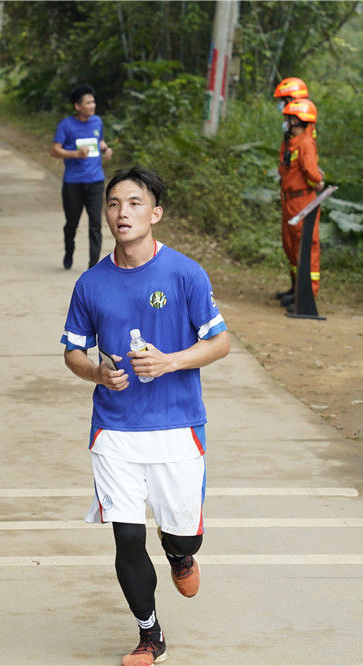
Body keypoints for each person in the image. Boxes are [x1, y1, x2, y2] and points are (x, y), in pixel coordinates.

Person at [60, 167, 230, 665]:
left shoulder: (185, 274)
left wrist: (171, 361)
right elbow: (72, 352)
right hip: (114, 429)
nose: (122, 213)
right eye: (114, 204)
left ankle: (180, 553)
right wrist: (96, 374)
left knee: (182, 532)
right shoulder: (91, 284)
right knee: (127, 535)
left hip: (177, 425)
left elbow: (219, 342)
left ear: (154, 213)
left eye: (134, 203)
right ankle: (149, 634)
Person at [50, 83, 113, 270]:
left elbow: (99, 139)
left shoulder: (97, 122)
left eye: (93, 102)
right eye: (88, 102)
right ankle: (69, 251)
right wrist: (75, 154)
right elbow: (54, 150)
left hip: (95, 181)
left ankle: (94, 265)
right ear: (77, 106)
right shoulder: (66, 125)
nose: (92, 106)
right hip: (73, 183)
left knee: (96, 223)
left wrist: (105, 148)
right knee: (72, 224)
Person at [278, 98, 325, 309]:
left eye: (289, 118)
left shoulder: (305, 142)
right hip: (290, 201)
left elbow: (312, 173)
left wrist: (318, 181)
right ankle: (297, 291)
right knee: (292, 246)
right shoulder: (292, 141)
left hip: (302, 201)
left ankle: (308, 296)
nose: (286, 121)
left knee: (306, 248)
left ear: (297, 120)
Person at [273, 76, 313, 304]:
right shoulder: (291, 130)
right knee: (290, 245)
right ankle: (295, 287)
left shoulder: (304, 133)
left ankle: (305, 294)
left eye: (284, 101)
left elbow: (308, 167)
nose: (281, 106)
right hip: (289, 194)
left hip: (301, 196)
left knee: (302, 245)